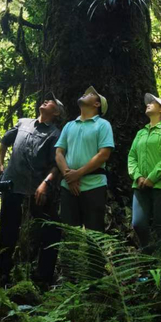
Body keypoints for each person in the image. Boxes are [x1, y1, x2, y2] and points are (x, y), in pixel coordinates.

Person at [0, 95, 66, 288]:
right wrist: (1, 163)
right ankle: (3, 275)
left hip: (36, 189)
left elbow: (56, 164)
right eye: (46, 100)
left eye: (50, 102)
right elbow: (5, 141)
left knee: (51, 228)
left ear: (57, 112)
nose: (45, 101)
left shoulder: (55, 134)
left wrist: (45, 183)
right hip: (11, 184)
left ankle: (43, 277)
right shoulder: (23, 123)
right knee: (7, 231)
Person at [55, 86, 113, 231]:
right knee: (69, 235)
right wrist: (69, 176)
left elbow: (104, 154)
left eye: (92, 94)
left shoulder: (103, 125)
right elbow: (59, 152)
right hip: (68, 187)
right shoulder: (69, 125)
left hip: (94, 185)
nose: (85, 94)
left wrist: (77, 174)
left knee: (94, 235)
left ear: (97, 104)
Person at [127, 93, 161, 252]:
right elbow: (131, 156)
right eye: (147, 102)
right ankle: (147, 258)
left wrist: (152, 178)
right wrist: (138, 176)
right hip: (140, 186)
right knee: (138, 224)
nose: (148, 104)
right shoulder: (140, 133)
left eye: (153, 102)